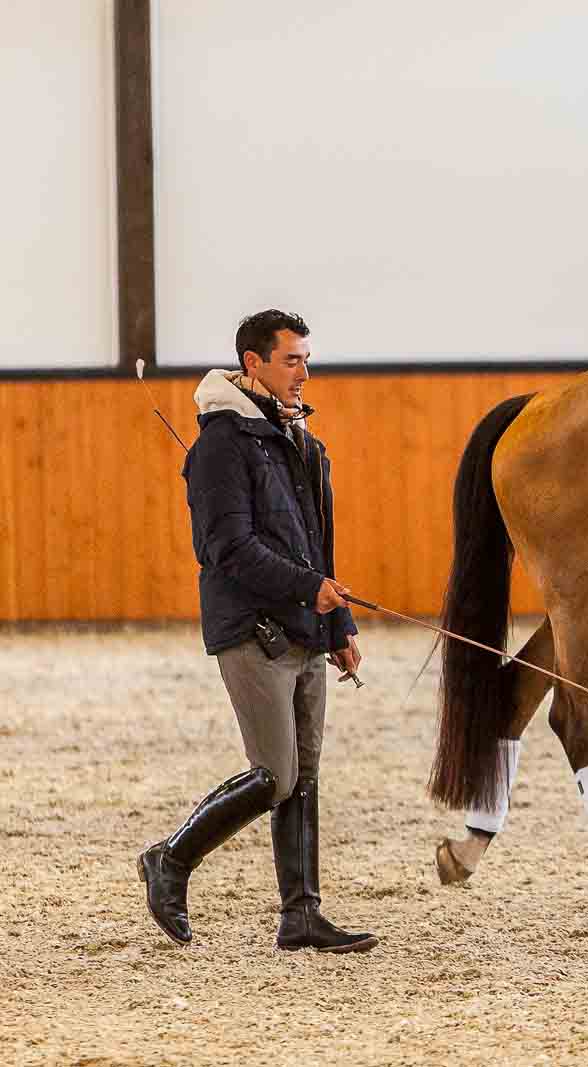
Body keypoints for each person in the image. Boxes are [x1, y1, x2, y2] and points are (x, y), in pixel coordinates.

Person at [137, 309, 376, 953]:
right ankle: (171, 860)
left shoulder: (301, 442)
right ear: (253, 364)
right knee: (275, 773)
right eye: (292, 360)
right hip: (252, 629)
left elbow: (317, 545)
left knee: (307, 772)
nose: (304, 371)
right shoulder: (221, 445)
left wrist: (339, 621)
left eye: (305, 358)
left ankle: (301, 914)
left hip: (306, 628)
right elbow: (227, 548)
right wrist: (307, 589)